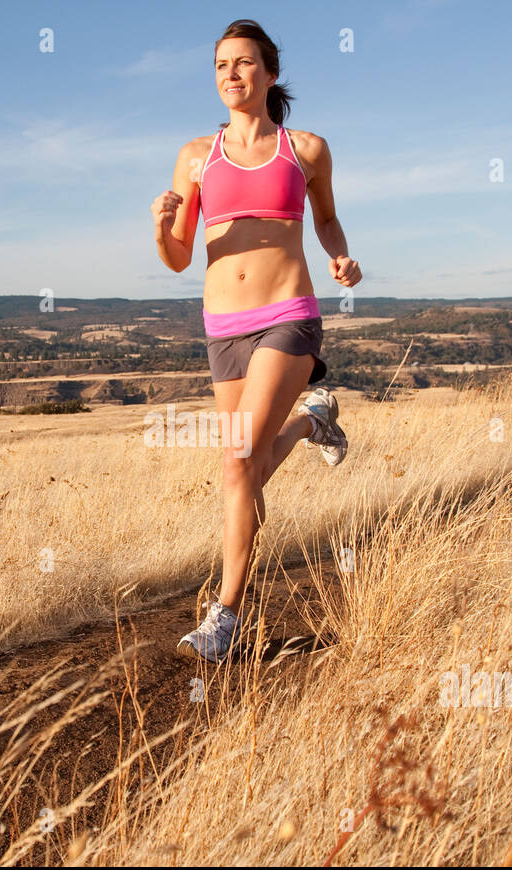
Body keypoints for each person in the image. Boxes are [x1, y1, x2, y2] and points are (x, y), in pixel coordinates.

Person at [150, 18, 361, 664]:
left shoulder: (306, 149)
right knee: (245, 467)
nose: (231, 75)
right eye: (220, 66)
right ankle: (310, 423)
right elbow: (179, 257)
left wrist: (343, 258)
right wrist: (161, 228)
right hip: (223, 329)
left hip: (287, 317)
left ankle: (226, 614)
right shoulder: (194, 157)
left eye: (243, 64)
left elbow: (325, 218)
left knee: (237, 465)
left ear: (270, 72)